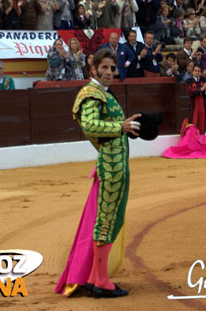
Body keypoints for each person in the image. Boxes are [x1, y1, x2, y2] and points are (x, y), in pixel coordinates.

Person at [56, 49, 141, 298]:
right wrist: (120, 126)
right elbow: (89, 124)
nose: (108, 73)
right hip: (111, 166)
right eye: (103, 68)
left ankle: (96, 277)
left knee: (109, 218)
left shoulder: (102, 93)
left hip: (117, 164)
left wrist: (131, 128)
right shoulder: (92, 94)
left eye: (112, 68)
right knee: (106, 220)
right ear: (92, 69)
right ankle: (101, 281)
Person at [184, 63, 206, 134]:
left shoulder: (204, 80)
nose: (196, 72)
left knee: (202, 126)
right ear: (192, 72)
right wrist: (201, 89)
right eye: (195, 70)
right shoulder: (189, 81)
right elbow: (190, 93)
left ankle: (201, 142)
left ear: (201, 73)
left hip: (202, 105)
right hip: (194, 105)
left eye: (198, 71)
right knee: (193, 125)